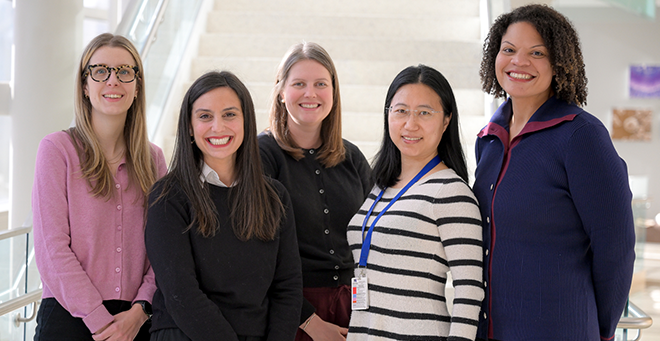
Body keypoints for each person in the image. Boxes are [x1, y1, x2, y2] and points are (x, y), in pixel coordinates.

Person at [473, 4, 636, 340]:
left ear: (559, 63)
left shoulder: (581, 136)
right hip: (491, 329)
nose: (519, 61)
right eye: (509, 50)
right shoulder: (489, 139)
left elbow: (615, 246)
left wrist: (601, 328)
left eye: (537, 52)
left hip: (560, 328)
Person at [145, 71, 302, 341]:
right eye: (205, 116)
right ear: (190, 128)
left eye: (229, 114)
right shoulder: (168, 196)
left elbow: (287, 287)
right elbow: (180, 293)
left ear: (246, 122)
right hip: (185, 334)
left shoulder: (275, 197)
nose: (218, 126)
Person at [32, 33, 167, 341]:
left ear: (137, 85)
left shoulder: (154, 160)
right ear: (84, 85)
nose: (112, 80)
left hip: (136, 325)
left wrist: (139, 312)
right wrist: (101, 322)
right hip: (68, 318)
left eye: (124, 71)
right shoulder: (57, 150)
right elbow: (51, 250)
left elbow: (165, 249)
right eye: (100, 70)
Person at [346, 64, 484, 340]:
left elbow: (469, 290)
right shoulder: (380, 186)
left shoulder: (451, 192)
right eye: (401, 111)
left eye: (424, 112)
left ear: (446, 120)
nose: (410, 124)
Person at [258, 42, 371, 341]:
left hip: (354, 307)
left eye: (321, 84)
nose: (310, 93)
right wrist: (309, 321)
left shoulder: (352, 157)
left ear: (333, 91)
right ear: (281, 92)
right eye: (299, 84)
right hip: (290, 309)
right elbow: (257, 255)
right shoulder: (261, 155)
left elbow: (374, 241)